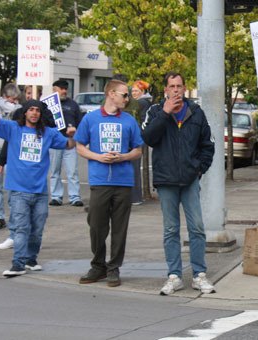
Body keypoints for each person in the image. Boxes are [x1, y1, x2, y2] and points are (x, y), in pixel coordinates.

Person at [142, 72, 215, 296]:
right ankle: (174, 275)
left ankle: (199, 275)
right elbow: (148, 138)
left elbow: (208, 145)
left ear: (184, 88)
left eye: (179, 86)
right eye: (172, 86)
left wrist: (199, 169)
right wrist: (164, 113)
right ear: (165, 90)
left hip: (190, 179)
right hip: (166, 180)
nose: (176, 90)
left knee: (197, 228)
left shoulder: (196, 113)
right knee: (171, 229)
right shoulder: (155, 111)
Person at [75, 79, 143, 287]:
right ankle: (98, 265)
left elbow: (138, 150)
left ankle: (114, 268)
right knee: (96, 225)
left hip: (123, 181)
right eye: (124, 94)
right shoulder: (91, 119)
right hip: (99, 179)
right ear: (111, 94)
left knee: (120, 227)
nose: (127, 98)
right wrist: (98, 157)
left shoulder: (129, 120)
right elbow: (79, 146)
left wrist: (122, 157)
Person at [0, 100, 74, 277]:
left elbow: (68, 145)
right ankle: (18, 264)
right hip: (18, 190)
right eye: (30, 109)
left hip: (40, 191)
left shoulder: (48, 132)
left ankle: (31, 260)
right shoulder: (13, 128)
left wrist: (72, 135)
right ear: (24, 112)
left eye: (37, 110)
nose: (34, 113)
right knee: (22, 228)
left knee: (37, 230)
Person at [48, 80, 84, 207]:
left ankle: (75, 196)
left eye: (65, 88)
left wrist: (76, 134)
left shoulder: (73, 104)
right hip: (54, 143)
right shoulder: (48, 105)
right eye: (61, 88)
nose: (64, 91)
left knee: (72, 171)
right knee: (54, 171)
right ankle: (56, 196)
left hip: (70, 142)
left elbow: (80, 123)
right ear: (54, 89)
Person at [0, 83, 21, 232]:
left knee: (11, 186)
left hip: (11, 150)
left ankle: (15, 217)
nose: (14, 103)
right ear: (5, 97)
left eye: (16, 100)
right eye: (12, 99)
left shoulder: (18, 109)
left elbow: (15, 111)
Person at [130, 80, 153, 206]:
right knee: (135, 166)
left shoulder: (140, 103)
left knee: (133, 166)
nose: (133, 93)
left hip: (137, 137)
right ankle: (136, 196)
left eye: (136, 91)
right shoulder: (146, 102)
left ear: (142, 91)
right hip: (141, 137)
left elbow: (140, 121)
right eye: (132, 91)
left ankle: (134, 197)